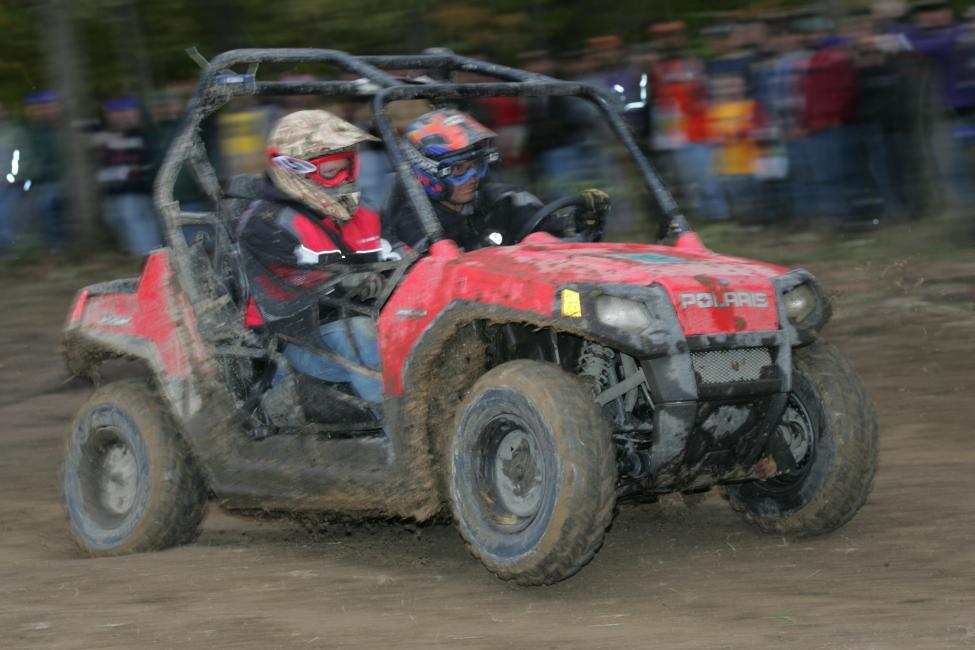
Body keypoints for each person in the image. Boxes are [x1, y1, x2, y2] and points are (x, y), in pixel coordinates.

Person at [236, 109, 385, 408]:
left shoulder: (365, 211)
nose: (343, 179)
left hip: (369, 319)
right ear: (293, 169)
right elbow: (285, 285)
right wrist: (345, 279)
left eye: (347, 166)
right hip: (298, 341)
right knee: (360, 336)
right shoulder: (266, 223)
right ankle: (407, 441)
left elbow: (403, 252)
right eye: (331, 171)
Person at [384, 108, 608, 251]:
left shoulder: (508, 200)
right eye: (459, 169)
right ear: (428, 173)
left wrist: (576, 226)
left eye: (477, 166)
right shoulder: (411, 221)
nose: (472, 178)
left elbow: (547, 237)